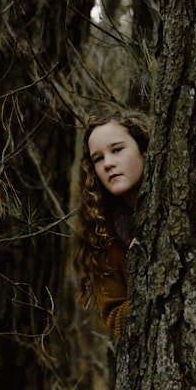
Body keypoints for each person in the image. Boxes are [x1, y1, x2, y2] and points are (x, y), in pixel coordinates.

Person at [73, 109, 150, 337]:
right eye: (98, 158)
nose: (108, 163)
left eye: (117, 150)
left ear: (143, 150)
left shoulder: (179, 206)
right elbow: (114, 318)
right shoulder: (102, 235)